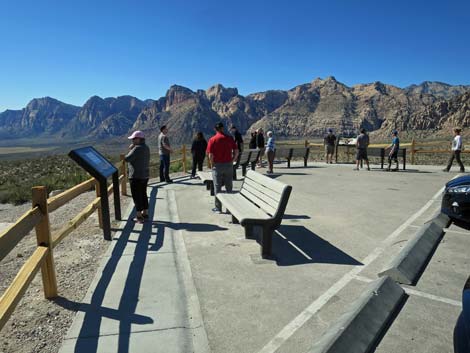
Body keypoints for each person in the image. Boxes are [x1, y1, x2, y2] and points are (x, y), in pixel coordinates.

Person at [206, 122, 239, 211]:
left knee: (217, 187)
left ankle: (218, 207)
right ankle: (229, 208)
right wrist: (232, 160)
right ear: (222, 128)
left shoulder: (212, 140)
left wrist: (212, 164)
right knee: (229, 186)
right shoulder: (229, 138)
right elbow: (236, 151)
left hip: (217, 165)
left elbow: (210, 155)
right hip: (228, 164)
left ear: (215, 129)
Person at [124, 131, 150, 224]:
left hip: (136, 176)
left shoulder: (137, 149)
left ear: (139, 139)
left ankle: (139, 217)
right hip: (145, 175)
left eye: (134, 139)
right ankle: (145, 213)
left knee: (136, 196)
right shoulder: (146, 147)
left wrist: (130, 149)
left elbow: (127, 159)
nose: (132, 141)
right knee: (143, 194)